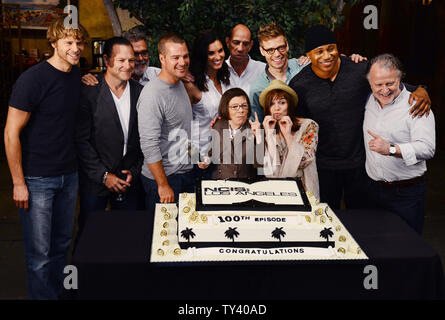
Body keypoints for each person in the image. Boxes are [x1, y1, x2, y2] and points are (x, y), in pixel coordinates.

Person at [289, 25, 431, 209]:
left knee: (362, 223)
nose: (327, 55)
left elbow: (391, 85)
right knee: (326, 221)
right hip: (323, 168)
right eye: (319, 51)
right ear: (308, 55)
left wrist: (421, 89)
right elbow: (298, 127)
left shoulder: (359, 69)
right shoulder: (300, 84)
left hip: (360, 166)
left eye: (331, 48)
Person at [4, 18, 88, 299]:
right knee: (39, 254)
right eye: (68, 42)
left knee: (61, 246)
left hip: (69, 174)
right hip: (38, 178)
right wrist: (18, 182)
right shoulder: (32, 79)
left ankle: (58, 295)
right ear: (53, 43)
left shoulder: (77, 76)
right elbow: (10, 133)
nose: (75, 48)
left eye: (79, 42)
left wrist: (88, 78)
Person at [75, 37, 144, 237]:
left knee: (129, 237)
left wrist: (134, 171)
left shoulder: (141, 93)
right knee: (89, 237)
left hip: (129, 180)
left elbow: (145, 139)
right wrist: (104, 176)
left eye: (131, 60)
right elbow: (81, 140)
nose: (128, 65)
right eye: (121, 60)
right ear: (107, 60)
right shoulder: (89, 92)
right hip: (96, 181)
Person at [363, 54, 435, 234]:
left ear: (400, 78)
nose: (385, 90)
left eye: (390, 83)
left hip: (406, 194)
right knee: (374, 243)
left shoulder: (417, 104)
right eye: (378, 85)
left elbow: (427, 148)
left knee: (406, 248)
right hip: (372, 191)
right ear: (369, 83)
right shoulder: (367, 100)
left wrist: (391, 149)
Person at [250, 22, 366, 123]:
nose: (277, 54)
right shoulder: (258, 88)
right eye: (270, 50)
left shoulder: (305, 66)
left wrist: (352, 60)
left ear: (287, 45)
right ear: (261, 50)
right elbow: (257, 127)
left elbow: (332, 62)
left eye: (281, 47)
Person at [137, 34, 195, 213]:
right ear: (162, 58)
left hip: (185, 174)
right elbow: (149, 144)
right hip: (164, 180)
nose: (183, 62)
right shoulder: (152, 94)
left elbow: (181, 131)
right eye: (175, 57)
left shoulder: (179, 84)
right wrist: (162, 185)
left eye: (185, 56)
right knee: (163, 238)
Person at [260, 80, 319, 199]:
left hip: (305, 190)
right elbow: (270, 172)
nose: (277, 108)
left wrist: (288, 136)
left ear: (289, 105)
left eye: (282, 103)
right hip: (278, 194)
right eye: (272, 104)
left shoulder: (308, 125)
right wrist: (269, 135)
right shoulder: (268, 129)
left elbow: (305, 161)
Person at [184, 30, 232, 169]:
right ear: (202, 56)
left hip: (225, 155)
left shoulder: (226, 77)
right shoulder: (190, 84)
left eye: (220, 50)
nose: (218, 56)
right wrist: (195, 157)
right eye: (211, 53)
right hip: (200, 159)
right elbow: (179, 127)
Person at [198, 88, 261, 180]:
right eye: (235, 107)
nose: (241, 110)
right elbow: (212, 152)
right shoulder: (218, 125)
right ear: (226, 109)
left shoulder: (254, 128)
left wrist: (258, 137)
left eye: (244, 105)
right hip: (220, 184)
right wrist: (206, 161)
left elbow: (260, 165)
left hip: (245, 186)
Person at [82, 26, 160, 86]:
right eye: (135, 54)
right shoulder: (106, 82)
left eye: (144, 53)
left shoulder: (159, 76)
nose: (140, 58)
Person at [225, 24, 265, 94]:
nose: (240, 49)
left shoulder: (263, 70)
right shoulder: (218, 70)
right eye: (236, 43)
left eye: (245, 44)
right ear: (228, 42)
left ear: (250, 45)